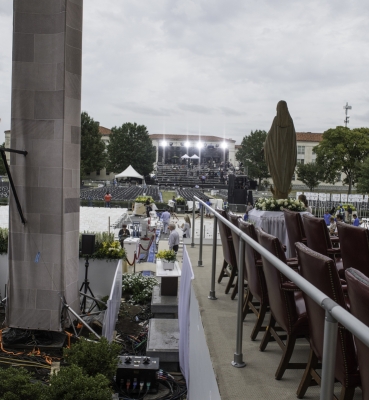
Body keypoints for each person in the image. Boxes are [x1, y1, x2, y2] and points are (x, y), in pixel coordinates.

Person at [264, 100, 297, 199]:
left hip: (276, 158)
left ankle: (279, 195)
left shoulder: (276, 120)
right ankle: (283, 194)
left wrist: (266, 147)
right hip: (287, 158)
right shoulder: (290, 122)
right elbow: (293, 141)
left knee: (277, 174)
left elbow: (269, 138)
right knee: (285, 175)